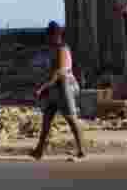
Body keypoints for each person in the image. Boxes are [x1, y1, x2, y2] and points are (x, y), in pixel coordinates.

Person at [30, 21, 86, 161]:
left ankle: (81, 150)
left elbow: (60, 72)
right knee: (47, 120)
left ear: (56, 35)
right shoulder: (52, 49)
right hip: (54, 88)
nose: (47, 38)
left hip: (65, 86)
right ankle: (39, 151)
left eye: (50, 35)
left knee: (71, 119)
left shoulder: (62, 49)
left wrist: (43, 88)